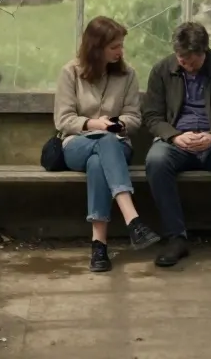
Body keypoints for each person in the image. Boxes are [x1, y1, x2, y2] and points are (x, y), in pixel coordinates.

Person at [55, 17, 162, 272]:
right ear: (96, 46)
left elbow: (134, 117)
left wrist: (115, 124)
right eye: (114, 46)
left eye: (121, 46)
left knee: (98, 161)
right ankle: (132, 219)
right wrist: (95, 125)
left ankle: (99, 247)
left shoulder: (127, 75)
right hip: (75, 145)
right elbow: (63, 120)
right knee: (101, 143)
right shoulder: (70, 73)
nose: (120, 51)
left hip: (117, 143)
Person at [141, 22, 211, 269]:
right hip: (176, 141)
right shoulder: (162, 70)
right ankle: (176, 236)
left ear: (204, 52)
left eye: (191, 61)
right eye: (181, 59)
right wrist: (174, 136)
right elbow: (152, 116)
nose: (185, 65)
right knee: (155, 160)